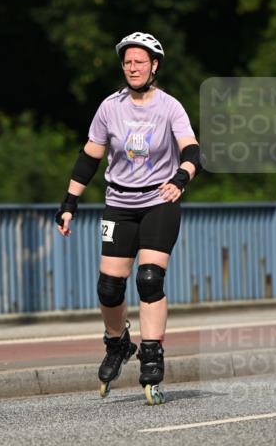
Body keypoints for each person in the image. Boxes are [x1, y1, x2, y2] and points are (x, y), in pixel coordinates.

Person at [55, 32, 202, 405]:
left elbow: (192, 151)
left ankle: (151, 356)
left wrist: (180, 178)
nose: (132, 67)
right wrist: (69, 202)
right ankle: (117, 343)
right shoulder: (110, 107)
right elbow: (89, 157)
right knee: (109, 288)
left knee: (149, 279)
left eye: (139, 61)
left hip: (159, 201)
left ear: (154, 66)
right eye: (127, 62)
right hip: (118, 204)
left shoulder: (170, 107)